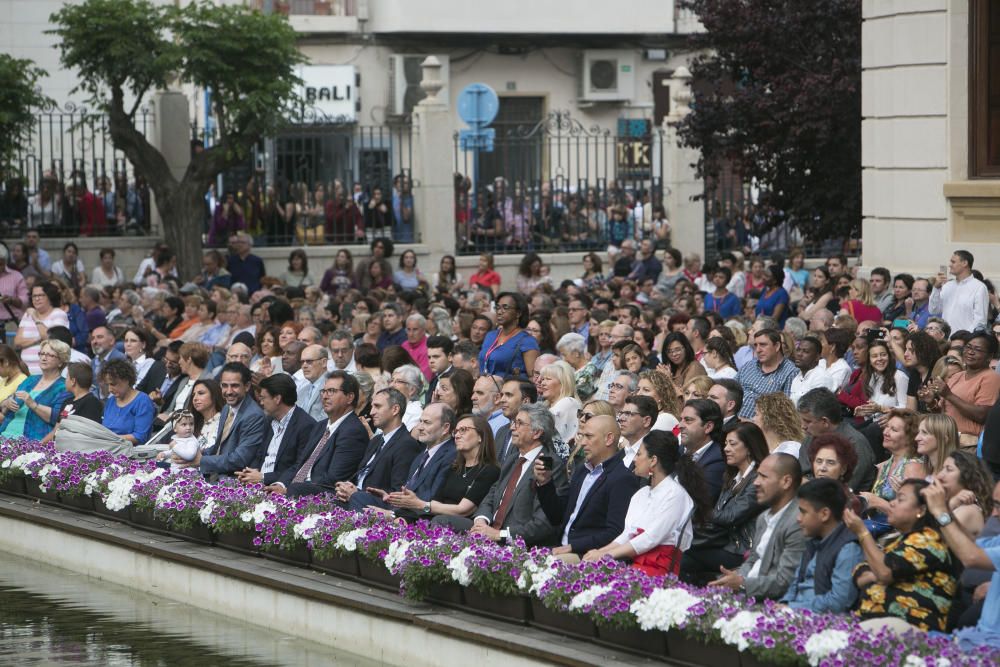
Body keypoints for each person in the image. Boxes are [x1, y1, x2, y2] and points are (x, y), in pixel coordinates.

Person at [582, 429, 710, 576]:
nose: (635, 459)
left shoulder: (675, 494)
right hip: (635, 562)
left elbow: (651, 538)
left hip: (659, 567)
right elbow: (628, 534)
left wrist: (606, 556)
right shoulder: (641, 494)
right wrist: (600, 552)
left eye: (639, 454)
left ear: (653, 460)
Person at [845, 478, 958, 633]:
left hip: (913, 628)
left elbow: (884, 572)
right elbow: (863, 568)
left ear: (921, 510)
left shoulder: (929, 539)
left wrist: (862, 532)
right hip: (879, 624)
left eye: (901, 499)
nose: (892, 503)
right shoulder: (900, 540)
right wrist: (873, 573)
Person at [455, 403, 568, 546]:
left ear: (537, 432)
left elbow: (543, 524)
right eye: (514, 422)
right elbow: (492, 495)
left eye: (519, 423)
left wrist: (499, 535)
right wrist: (481, 521)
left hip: (517, 544)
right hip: (488, 532)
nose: (512, 427)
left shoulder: (550, 465)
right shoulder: (512, 459)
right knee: (442, 522)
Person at [531, 414, 640, 561]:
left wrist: (574, 546)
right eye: (582, 436)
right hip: (561, 547)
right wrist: (545, 483)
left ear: (609, 439)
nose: (582, 443)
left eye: (589, 436)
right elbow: (557, 516)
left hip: (589, 556)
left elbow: (615, 532)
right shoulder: (582, 470)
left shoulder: (622, 478)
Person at [681, 422, 768, 586]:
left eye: (732, 444)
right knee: (680, 549)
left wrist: (700, 508)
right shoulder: (732, 476)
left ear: (749, 447)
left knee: (686, 556)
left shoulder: (758, 478)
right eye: (725, 444)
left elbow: (730, 516)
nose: (726, 448)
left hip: (741, 549)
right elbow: (719, 514)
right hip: (723, 542)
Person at [710, 453, 806, 600]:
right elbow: (754, 560)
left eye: (763, 477)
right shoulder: (763, 517)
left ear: (786, 481)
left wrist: (742, 584)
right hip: (750, 593)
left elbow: (785, 581)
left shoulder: (797, 522)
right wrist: (736, 578)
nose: (756, 482)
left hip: (773, 605)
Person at [921, 479, 1000, 649]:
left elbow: (970, 557)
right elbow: (968, 545)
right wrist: (947, 511)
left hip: (990, 648)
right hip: (977, 637)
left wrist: (940, 511)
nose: (993, 513)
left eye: (999, 506)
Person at [269, 373, 373, 496]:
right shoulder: (320, 426)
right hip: (296, 490)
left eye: (331, 391)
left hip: (320, 498)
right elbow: (299, 464)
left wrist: (289, 490)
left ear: (350, 397)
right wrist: (280, 484)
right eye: (323, 391)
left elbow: (333, 479)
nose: (324, 396)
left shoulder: (353, 431)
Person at [391, 413, 500, 522]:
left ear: (480, 436)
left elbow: (463, 510)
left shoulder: (489, 470)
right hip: (438, 520)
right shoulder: (454, 467)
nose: (457, 436)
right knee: (401, 520)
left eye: (463, 430)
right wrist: (405, 516)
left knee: (439, 520)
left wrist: (420, 504)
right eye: (456, 431)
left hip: (461, 527)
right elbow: (435, 504)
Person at [327, 386, 423, 506]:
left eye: (377, 406)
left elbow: (398, 493)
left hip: (373, 507)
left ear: (395, 410)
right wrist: (345, 486)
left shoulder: (407, 444)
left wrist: (358, 494)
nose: (372, 412)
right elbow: (361, 474)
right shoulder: (376, 440)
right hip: (352, 500)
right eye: (372, 406)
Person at [780, 478, 863, 613]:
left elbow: (839, 602)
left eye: (803, 512)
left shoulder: (848, 548)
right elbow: (795, 584)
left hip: (823, 624)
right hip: (794, 613)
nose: (798, 518)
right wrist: (784, 604)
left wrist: (792, 608)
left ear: (824, 514)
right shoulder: (813, 541)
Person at [360, 403, 457, 511]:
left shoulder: (451, 455)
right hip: (401, 511)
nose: (419, 427)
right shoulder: (421, 456)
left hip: (420, 519)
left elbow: (432, 498)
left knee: (358, 498)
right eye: (420, 421)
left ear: (445, 428)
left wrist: (392, 515)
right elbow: (410, 492)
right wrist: (390, 497)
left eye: (427, 423)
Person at [234, 374, 317, 487]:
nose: (261, 403)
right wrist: (249, 473)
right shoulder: (269, 420)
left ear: (277, 399)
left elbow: (300, 467)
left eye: (263, 398)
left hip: (280, 489)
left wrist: (263, 477)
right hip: (258, 484)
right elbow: (259, 456)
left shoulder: (306, 425)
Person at [929, 331, 1000, 452]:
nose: (970, 352)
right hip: (946, 440)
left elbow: (982, 415)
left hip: (968, 446)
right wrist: (931, 403)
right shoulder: (958, 376)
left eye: (977, 350)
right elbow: (946, 411)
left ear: (989, 356)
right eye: (968, 347)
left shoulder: (991, 378)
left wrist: (949, 395)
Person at [192, 363, 267, 477]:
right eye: (224, 385)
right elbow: (220, 447)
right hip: (215, 473)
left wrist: (202, 460)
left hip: (234, 481)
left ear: (247, 386)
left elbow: (240, 459)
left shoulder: (254, 416)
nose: (229, 391)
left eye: (235, 386)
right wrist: (197, 453)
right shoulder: (227, 408)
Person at [861, 409, 928, 535]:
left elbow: (915, 515)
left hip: (898, 533)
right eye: (887, 427)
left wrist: (878, 503)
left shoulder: (913, 467)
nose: (886, 432)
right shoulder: (885, 465)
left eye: (894, 430)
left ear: (910, 438)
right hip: (877, 527)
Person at [797, 388, 877, 493]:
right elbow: (800, 474)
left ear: (825, 421)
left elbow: (843, 489)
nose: (803, 426)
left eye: (807, 421)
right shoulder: (811, 436)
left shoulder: (856, 443)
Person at [0, 339, 68, 439]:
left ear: (61, 362)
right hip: (5, 434)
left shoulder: (64, 387)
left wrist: (33, 405)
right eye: (42, 354)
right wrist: (6, 403)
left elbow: (58, 419)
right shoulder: (30, 380)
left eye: (50, 355)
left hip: (31, 441)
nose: (44, 358)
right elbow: (6, 404)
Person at [736, 328, 797, 419]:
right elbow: (731, 390)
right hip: (732, 419)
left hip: (759, 428)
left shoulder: (791, 372)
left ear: (776, 346)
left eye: (763, 345)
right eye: (756, 345)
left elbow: (784, 412)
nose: (758, 350)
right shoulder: (749, 365)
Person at [935, 450, 994, 539]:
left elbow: (932, 539)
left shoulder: (969, 511)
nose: (939, 475)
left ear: (967, 476)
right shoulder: (954, 505)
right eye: (942, 469)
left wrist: (950, 505)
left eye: (949, 469)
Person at [14, 281, 70, 375]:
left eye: (41, 295)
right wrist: (38, 339)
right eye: (34, 296)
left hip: (49, 371)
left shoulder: (58, 314)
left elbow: (53, 339)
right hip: (25, 371)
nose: (36, 299)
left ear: (50, 296)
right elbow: (17, 342)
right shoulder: (28, 315)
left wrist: (35, 318)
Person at [478, 292, 539, 377]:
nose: (499, 312)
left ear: (518, 313)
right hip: (484, 386)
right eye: (497, 307)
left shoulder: (527, 341)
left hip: (509, 388)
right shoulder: (490, 335)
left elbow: (533, 377)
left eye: (505, 307)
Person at [929, 250, 988, 334]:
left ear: (964, 263)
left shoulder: (979, 287)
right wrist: (936, 288)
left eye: (953, 262)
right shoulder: (947, 285)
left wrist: (964, 337)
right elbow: (933, 310)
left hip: (965, 340)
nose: (950, 265)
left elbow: (980, 321)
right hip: (944, 339)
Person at [678, 399, 726, 502]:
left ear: (708, 427)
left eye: (688, 420)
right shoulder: (679, 450)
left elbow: (699, 503)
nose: (680, 425)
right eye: (681, 419)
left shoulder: (718, 460)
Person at [99, 359, 156, 445]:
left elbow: (140, 437)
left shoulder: (142, 401)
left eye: (113, 384)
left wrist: (110, 439)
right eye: (108, 385)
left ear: (127, 380)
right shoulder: (110, 401)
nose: (110, 389)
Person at [538, 360, 582, 446]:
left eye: (548, 379)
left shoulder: (568, 402)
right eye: (543, 379)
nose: (542, 383)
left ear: (563, 383)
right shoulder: (545, 405)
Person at [493, 377, 536, 465]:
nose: (502, 400)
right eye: (502, 395)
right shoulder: (501, 431)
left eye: (509, 395)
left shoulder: (533, 431)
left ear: (526, 401)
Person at [753, 392, 805, 457]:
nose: (753, 419)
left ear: (770, 418)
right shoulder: (757, 446)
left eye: (756, 414)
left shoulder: (791, 449)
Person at [789, 336, 837, 404]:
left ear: (817, 357)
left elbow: (814, 410)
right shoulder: (797, 377)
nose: (799, 354)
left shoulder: (821, 377)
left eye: (805, 351)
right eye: (798, 350)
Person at [54, 362, 103, 426]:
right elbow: (57, 428)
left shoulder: (91, 402)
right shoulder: (67, 402)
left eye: (67, 377)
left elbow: (88, 430)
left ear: (73, 381)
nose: (65, 380)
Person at [122, 327, 165, 397]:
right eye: (126, 341)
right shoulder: (125, 363)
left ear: (143, 344)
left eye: (133, 341)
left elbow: (136, 389)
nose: (128, 344)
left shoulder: (150, 363)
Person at [295, 344, 329, 423]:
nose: (304, 366)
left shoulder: (332, 387)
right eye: (302, 362)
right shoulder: (301, 390)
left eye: (309, 361)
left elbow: (327, 419)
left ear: (324, 362)